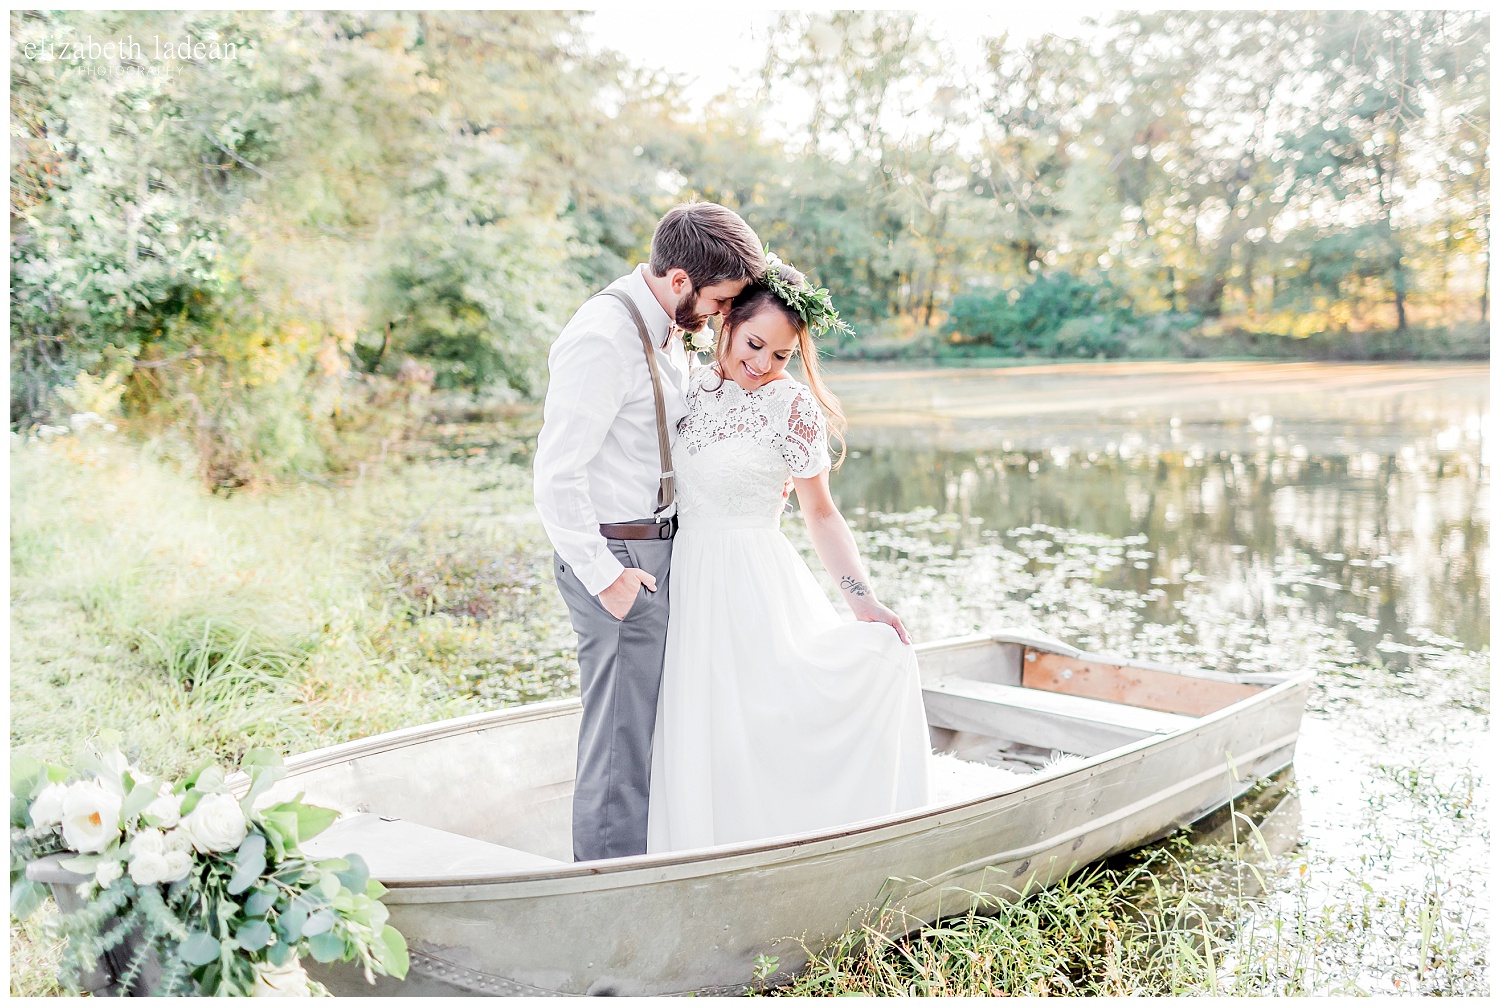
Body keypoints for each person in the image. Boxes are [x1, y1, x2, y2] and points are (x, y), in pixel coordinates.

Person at [646, 256, 930, 853]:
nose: (763, 366)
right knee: (702, 726)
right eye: (754, 345)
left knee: (762, 720)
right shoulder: (684, 382)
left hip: (752, 579)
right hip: (687, 579)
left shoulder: (792, 408)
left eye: (781, 355)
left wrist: (864, 601)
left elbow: (821, 513)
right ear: (726, 324)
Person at [533, 201, 766, 862]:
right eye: (720, 300)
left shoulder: (665, 327)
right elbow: (557, 474)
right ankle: (608, 902)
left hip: (664, 546)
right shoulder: (603, 337)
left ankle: (653, 871)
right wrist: (605, 576)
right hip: (618, 555)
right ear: (680, 280)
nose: (723, 314)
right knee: (619, 746)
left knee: (659, 732)